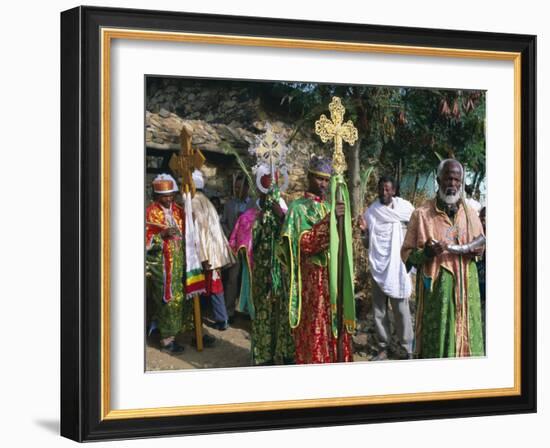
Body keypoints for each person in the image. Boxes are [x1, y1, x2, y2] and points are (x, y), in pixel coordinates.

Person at [401, 159, 485, 358]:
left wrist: (477, 251)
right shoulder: (421, 215)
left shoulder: (470, 214)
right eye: (448, 178)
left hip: (467, 293)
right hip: (437, 297)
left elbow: (481, 248)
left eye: (457, 180)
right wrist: (427, 253)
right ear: (438, 180)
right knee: (437, 349)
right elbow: (407, 257)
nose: (453, 184)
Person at [279, 155, 353, 364]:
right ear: (309, 177)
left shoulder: (330, 207)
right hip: (312, 283)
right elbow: (304, 243)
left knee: (336, 323)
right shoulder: (297, 208)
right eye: (319, 179)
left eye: (327, 180)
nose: (323, 184)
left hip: (334, 279)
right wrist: (329, 223)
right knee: (316, 324)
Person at [229, 174, 294, 365]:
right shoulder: (250, 217)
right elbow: (241, 244)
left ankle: (285, 354)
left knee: (283, 318)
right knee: (263, 318)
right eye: (267, 192)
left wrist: (281, 219)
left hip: (283, 277)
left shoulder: (287, 215)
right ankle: (263, 357)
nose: (270, 196)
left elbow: (294, 241)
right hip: (260, 278)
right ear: (260, 192)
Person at [362, 175, 415, 360]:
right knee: (379, 310)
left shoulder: (405, 209)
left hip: (398, 266)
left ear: (393, 191)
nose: (384, 192)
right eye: (381, 189)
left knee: (401, 310)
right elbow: (367, 243)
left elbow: (415, 231)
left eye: (387, 189)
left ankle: (407, 347)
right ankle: (383, 347)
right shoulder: (371, 212)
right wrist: (363, 233)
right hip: (378, 267)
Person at [145, 174, 193, 354]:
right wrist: (161, 236)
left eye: (171, 194)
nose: (169, 198)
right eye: (165, 196)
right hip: (162, 267)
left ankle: (173, 334)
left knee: (179, 300)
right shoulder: (151, 212)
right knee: (167, 301)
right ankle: (166, 341)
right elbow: (145, 240)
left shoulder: (179, 210)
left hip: (179, 264)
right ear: (157, 196)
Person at [190, 170, 236, 331]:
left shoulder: (193, 203)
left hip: (206, 253)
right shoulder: (207, 202)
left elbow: (197, 231)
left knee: (213, 286)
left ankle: (221, 318)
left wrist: (202, 255)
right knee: (215, 286)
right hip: (215, 251)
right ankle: (219, 317)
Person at [221, 173, 253, 321]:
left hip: (249, 248)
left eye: (240, 187)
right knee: (232, 279)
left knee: (248, 278)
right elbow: (223, 223)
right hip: (234, 246)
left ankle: (247, 309)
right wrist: (230, 233)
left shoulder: (253, 205)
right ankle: (229, 311)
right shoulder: (229, 204)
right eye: (235, 187)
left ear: (247, 188)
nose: (237, 190)